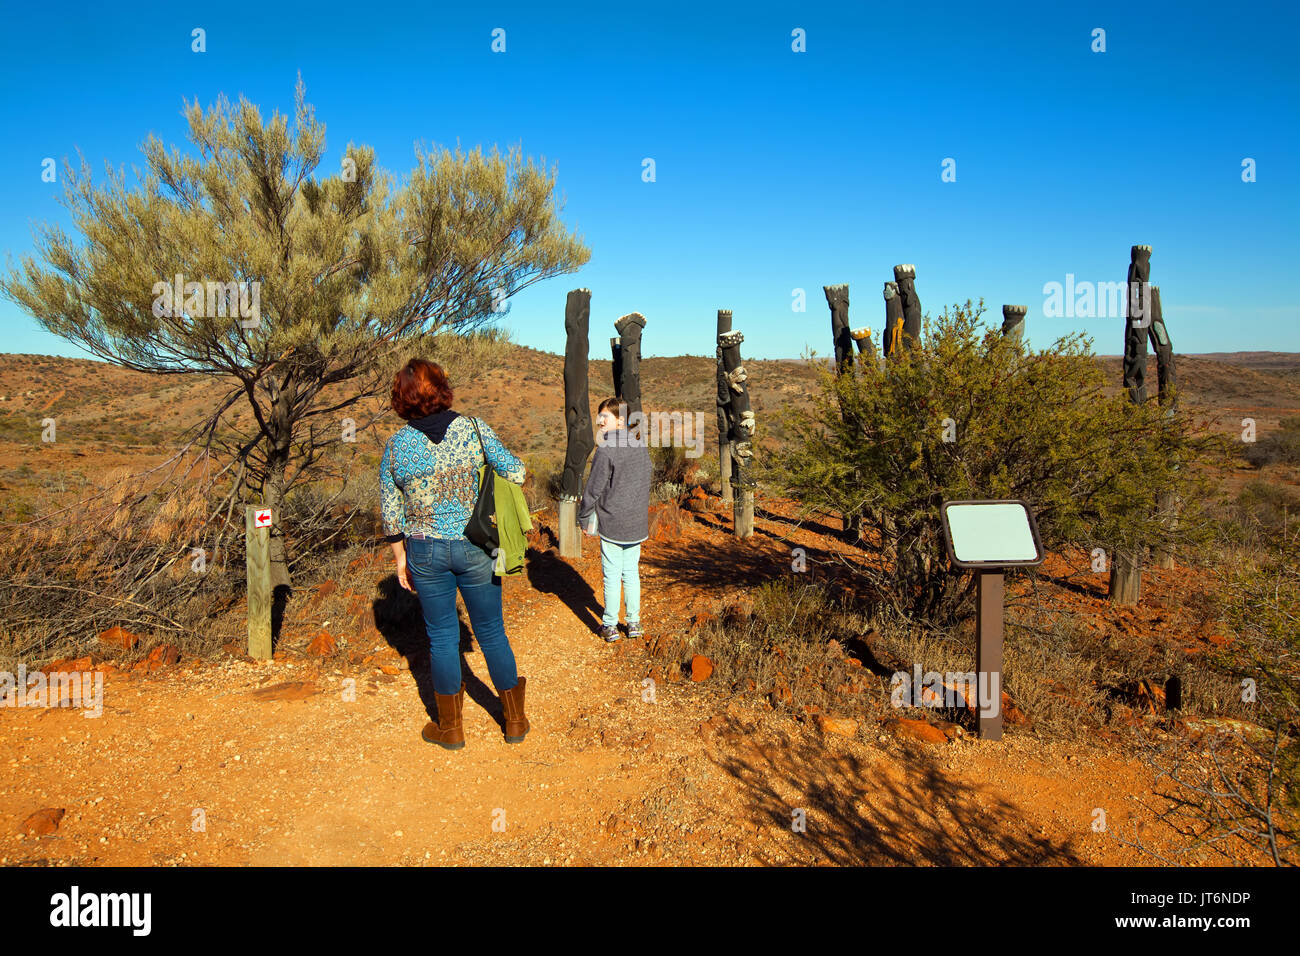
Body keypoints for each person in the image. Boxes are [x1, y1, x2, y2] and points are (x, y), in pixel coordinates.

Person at [379, 358, 529, 750]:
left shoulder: (396, 445)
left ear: (403, 398)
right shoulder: (474, 430)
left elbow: (391, 512)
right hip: (476, 545)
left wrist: (400, 559)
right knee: (492, 632)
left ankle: (451, 729)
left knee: (442, 638)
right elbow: (515, 472)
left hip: (425, 551)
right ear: (442, 388)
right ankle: (514, 721)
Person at [578, 398, 652, 642]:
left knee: (612, 573)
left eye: (605, 417)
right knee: (631, 572)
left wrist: (584, 515)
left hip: (613, 521)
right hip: (636, 521)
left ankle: (609, 624)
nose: (600, 421)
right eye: (599, 416)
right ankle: (634, 623)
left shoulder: (606, 448)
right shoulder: (640, 445)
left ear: (620, 420)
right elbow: (646, 481)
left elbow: (594, 488)